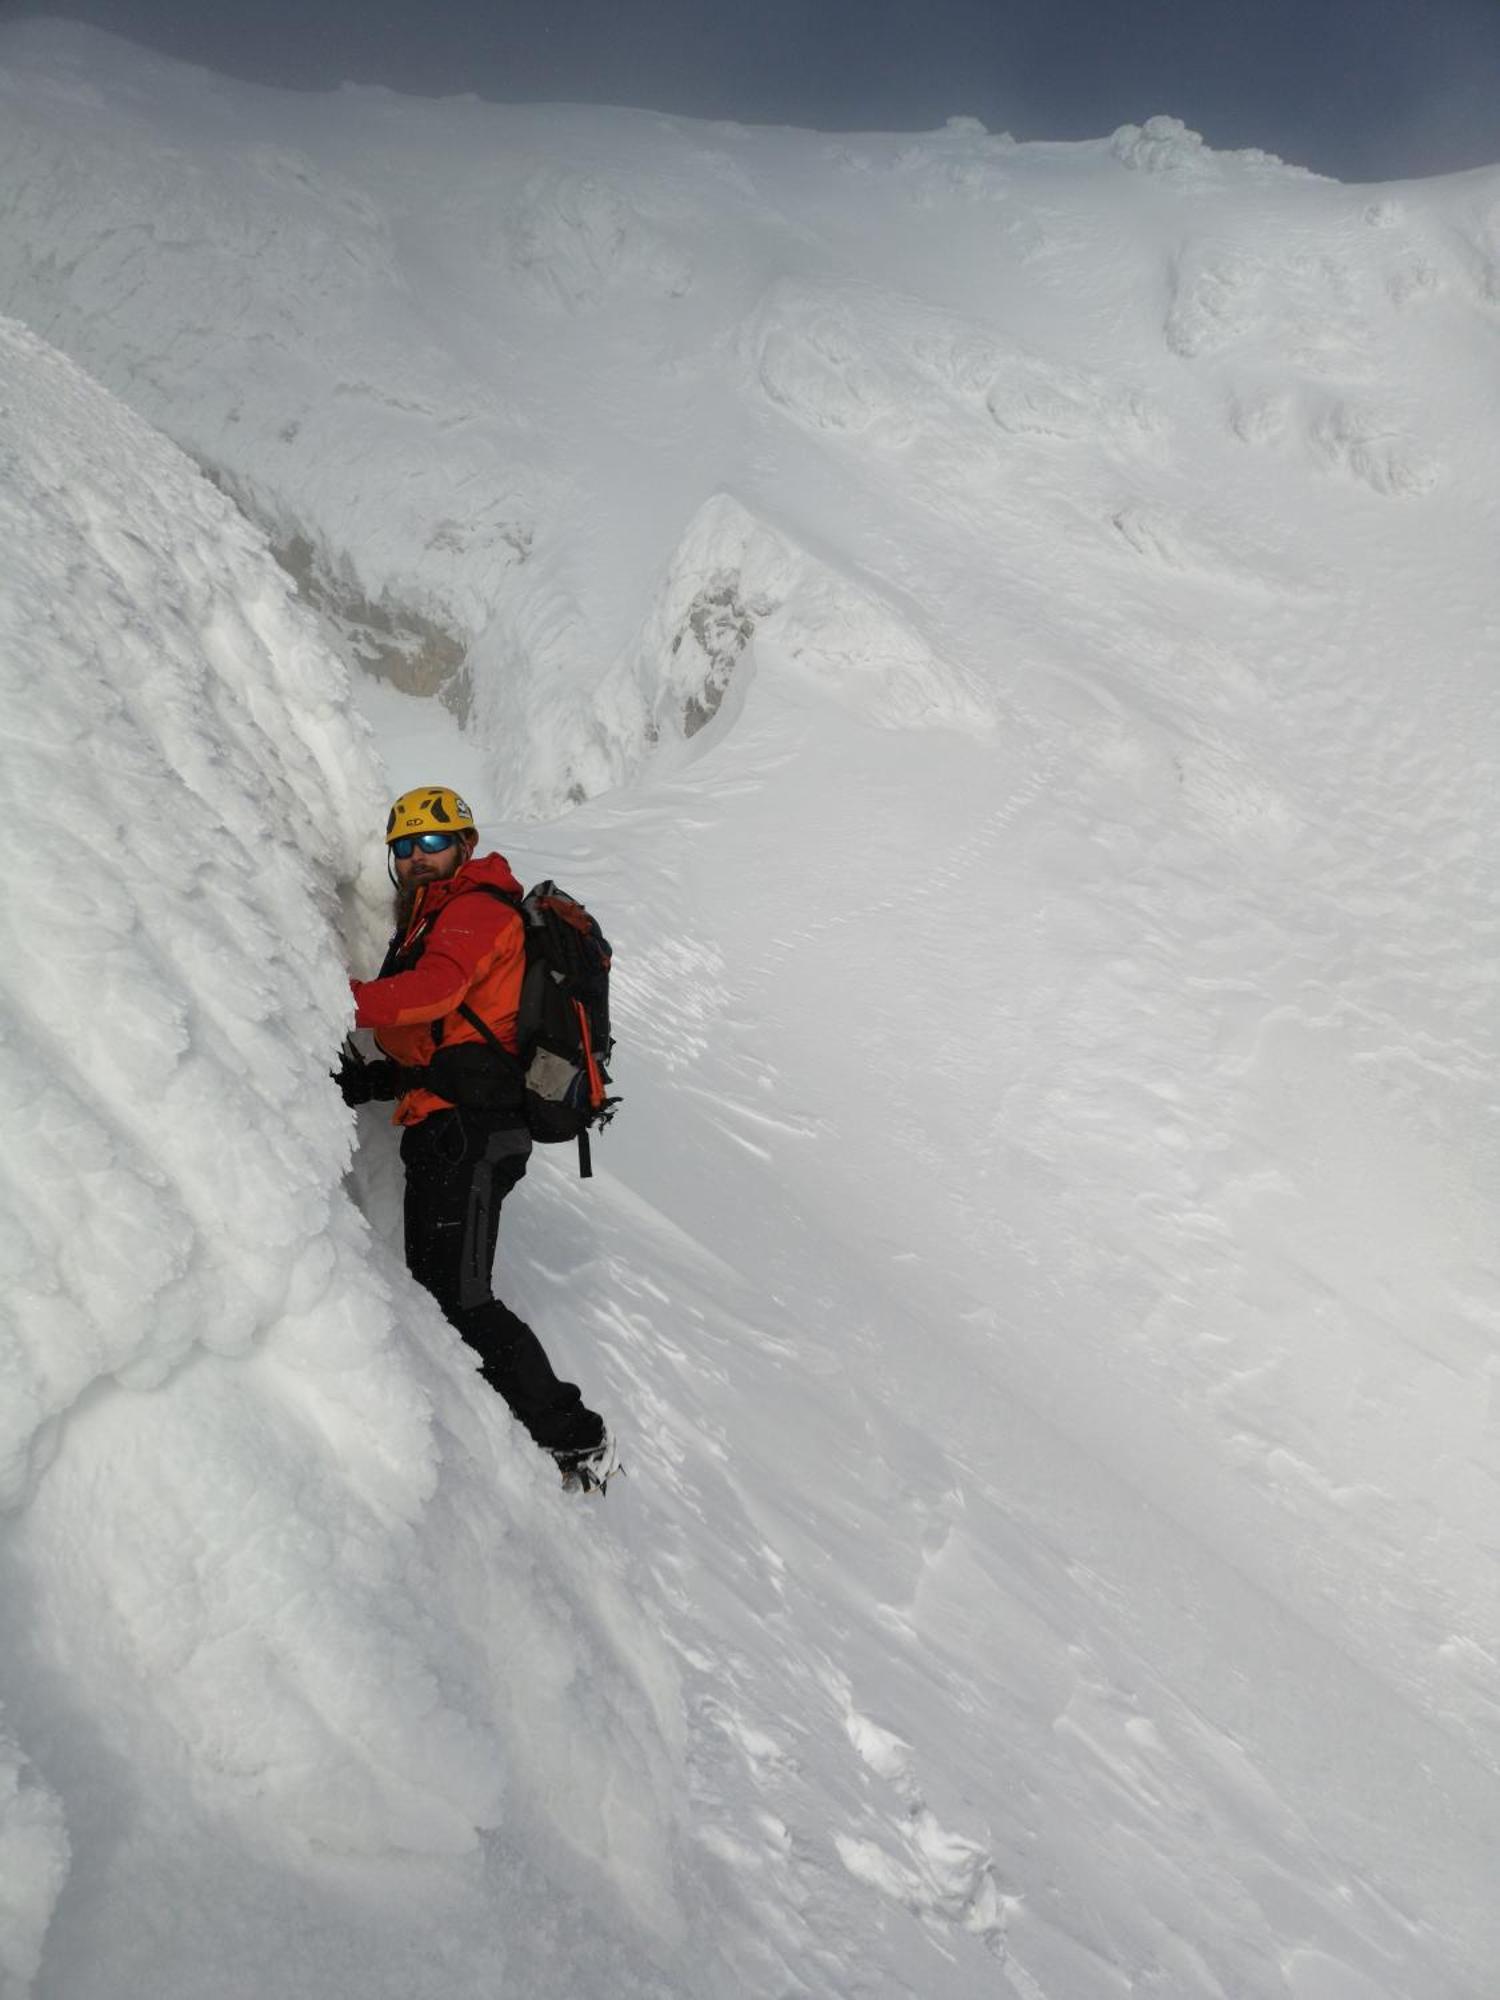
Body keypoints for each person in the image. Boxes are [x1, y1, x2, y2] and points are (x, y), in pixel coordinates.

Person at [337, 785, 616, 1492]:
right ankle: (536, 1424)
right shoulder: (439, 916)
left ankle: (574, 1436)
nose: (418, 859)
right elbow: (454, 1040)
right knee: (446, 1288)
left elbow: (432, 994)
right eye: (405, 848)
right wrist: (380, 1081)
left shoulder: (472, 909)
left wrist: (325, 991)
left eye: (434, 843)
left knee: (457, 1296)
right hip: (456, 1123)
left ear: (465, 844)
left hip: (473, 1132)